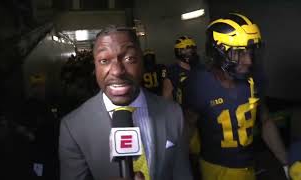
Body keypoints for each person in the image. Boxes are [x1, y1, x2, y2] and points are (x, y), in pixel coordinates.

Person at [59, 25, 193, 180]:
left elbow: (183, 174)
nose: (117, 71)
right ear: (95, 67)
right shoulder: (72, 127)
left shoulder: (173, 113)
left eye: (129, 58)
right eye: (104, 60)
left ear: (142, 61)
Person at [185, 13, 288, 180]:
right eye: (239, 53)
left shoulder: (254, 78)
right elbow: (187, 128)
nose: (248, 61)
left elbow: (265, 120)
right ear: (218, 52)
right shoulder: (199, 83)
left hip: (249, 165)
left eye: (250, 52)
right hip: (216, 168)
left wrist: (285, 162)